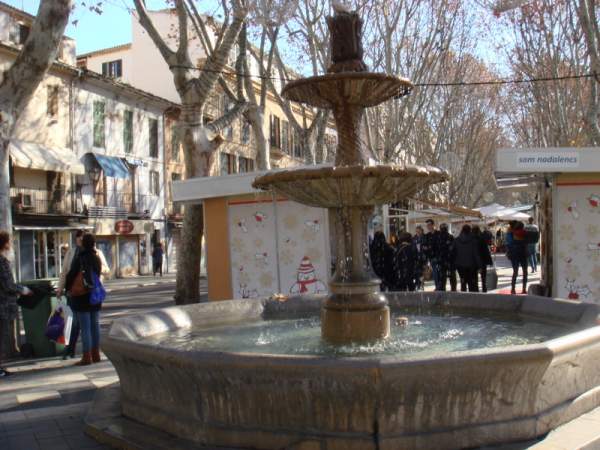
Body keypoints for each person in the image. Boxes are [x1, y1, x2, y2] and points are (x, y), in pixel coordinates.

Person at [65, 233, 103, 366]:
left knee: (85, 327)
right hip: (95, 295)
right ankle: (96, 354)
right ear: (93, 244)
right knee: (95, 325)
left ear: (83, 243)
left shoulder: (80, 258)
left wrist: (67, 288)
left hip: (81, 296)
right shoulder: (96, 258)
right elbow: (98, 274)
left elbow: (71, 275)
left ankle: (86, 357)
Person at [0, 231, 33, 376]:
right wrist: (24, 290)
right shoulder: (1, 262)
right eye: (9, 241)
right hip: (3, 306)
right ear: (4, 243)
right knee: (2, 337)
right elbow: (8, 285)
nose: (10, 244)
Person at [453, 225, 481, 292]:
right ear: (470, 230)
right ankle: (473, 298)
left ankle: (463, 297)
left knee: (463, 282)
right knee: (472, 283)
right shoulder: (473, 240)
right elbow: (476, 254)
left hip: (460, 265)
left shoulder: (456, 240)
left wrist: (454, 264)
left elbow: (453, 253)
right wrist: (480, 265)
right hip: (471, 265)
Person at [507, 221, 529, 295]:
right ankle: (524, 289)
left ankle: (513, 290)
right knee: (525, 272)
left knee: (515, 272)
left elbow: (509, 244)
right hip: (523, 254)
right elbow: (528, 243)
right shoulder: (525, 233)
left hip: (514, 254)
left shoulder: (511, 233)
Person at [472, 225, 493, 292]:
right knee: (483, 276)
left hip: (473, 261)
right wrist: (489, 261)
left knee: (474, 276)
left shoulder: (470, 239)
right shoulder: (482, 239)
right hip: (482, 260)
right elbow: (486, 251)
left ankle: (476, 288)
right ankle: (484, 287)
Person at [412, 226, 426, 290]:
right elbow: (413, 247)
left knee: (422, 272)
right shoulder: (414, 238)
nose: (417, 232)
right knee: (417, 272)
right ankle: (418, 284)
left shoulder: (424, 237)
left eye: (419, 231)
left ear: (421, 231)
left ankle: (421, 284)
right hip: (416, 258)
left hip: (423, 257)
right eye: (416, 231)